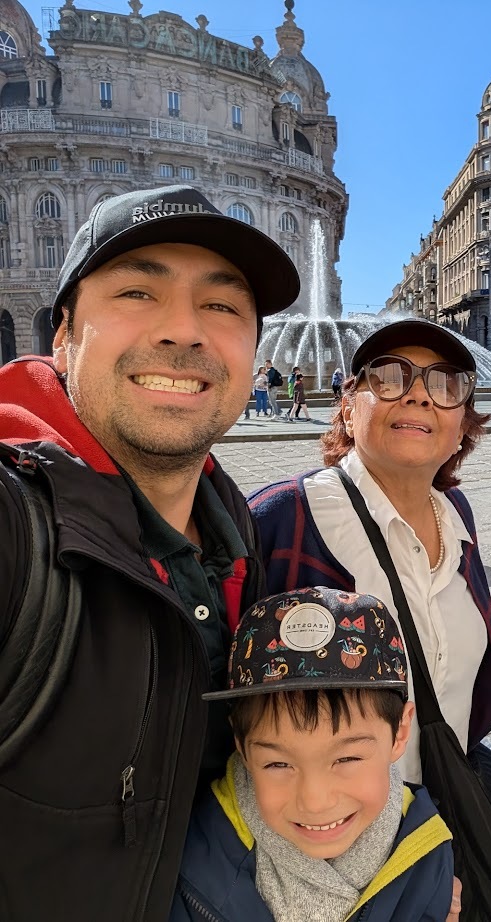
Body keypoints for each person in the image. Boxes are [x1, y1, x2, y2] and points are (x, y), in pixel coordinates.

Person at [0, 184, 298, 919]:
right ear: (62, 335)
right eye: (138, 291)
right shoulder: (18, 526)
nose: (184, 331)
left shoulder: (232, 525)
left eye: (223, 306)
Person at [248, 320, 491, 787]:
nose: (419, 395)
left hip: (441, 797)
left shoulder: (453, 511)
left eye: (444, 384)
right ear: (348, 410)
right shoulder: (281, 518)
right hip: (328, 825)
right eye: (390, 378)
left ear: (461, 427)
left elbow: (445, 609)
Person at [171, 587, 459, 922]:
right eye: (278, 763)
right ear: (240, 741)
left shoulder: (425, 848)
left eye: (347, 759)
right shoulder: (195, 856)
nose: (314, 801)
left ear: (400, 732)